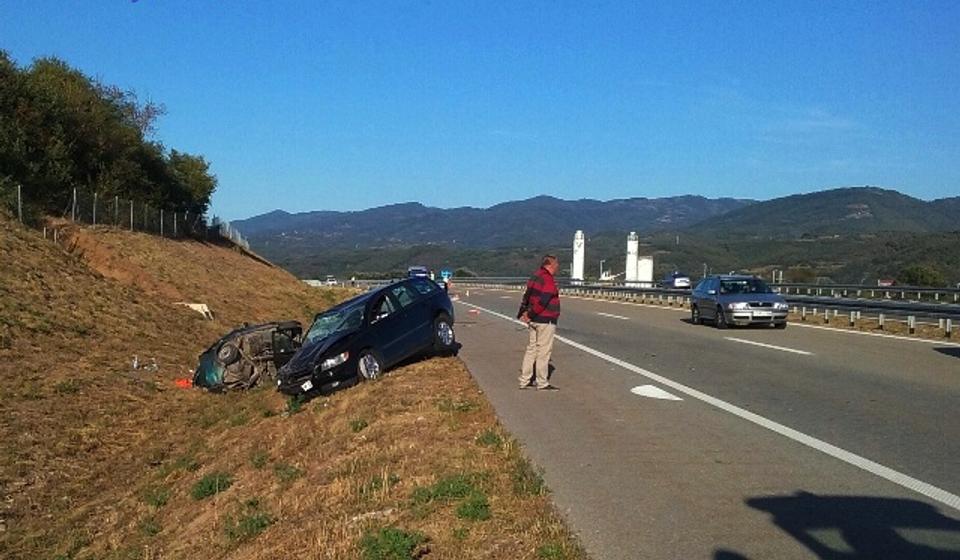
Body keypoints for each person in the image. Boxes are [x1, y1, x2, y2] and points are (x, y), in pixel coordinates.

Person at [517, 254, 561, 390]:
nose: (557, 267)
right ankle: (542, 382)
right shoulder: (548, 279)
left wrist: (524, 313)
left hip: (534, 320)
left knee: (531, 349)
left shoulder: (535, 276)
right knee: (543, 351)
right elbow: (544, 300)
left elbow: (527, 296)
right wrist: (531, 313)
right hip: (545, 319)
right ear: (549, 265)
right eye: (555, 265)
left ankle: (524, 380)